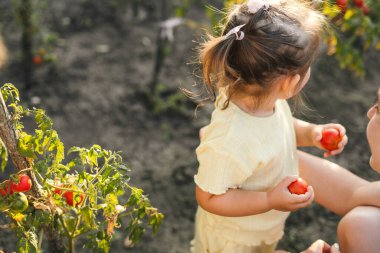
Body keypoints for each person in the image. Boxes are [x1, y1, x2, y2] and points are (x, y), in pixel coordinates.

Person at [190, 0, 349, 252]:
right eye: (307, 68)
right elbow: (209, 197)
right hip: (233, 238)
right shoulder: (230, 140)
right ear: (288, 83)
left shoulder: (263, 100)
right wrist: (268, 199)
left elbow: (278, 129)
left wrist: (312, 133)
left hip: (259, 226)